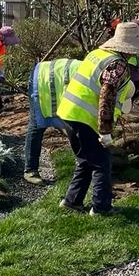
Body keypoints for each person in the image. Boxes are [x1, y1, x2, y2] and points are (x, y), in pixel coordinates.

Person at [56, 22, 139, 215]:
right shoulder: (118, 65)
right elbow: (107, 97)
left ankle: (72, 201)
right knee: (102, 162)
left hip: (68, 112)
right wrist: (105, 131)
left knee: (85, 159)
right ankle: (101, 208)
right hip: (84, 117)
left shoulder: (97, 54)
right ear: (131, 48)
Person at [23, 57, 81, 185]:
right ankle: (30, 170)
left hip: (56, 82)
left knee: (74, 124)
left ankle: (84, 162)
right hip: (41, 80)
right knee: (37, 125)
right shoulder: (91, 82)